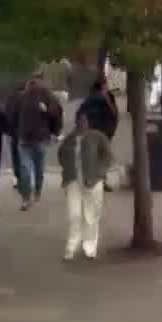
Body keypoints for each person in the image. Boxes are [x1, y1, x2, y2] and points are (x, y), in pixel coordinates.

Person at [57, 110, 114, 260]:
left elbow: (107, 157)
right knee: (74, 214)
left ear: (88, 122)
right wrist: (67, 169)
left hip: (93, 181)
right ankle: (71, 246)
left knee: (91, 215)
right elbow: (61, 154)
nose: (81, 124)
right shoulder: (70, 138)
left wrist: (98, 173)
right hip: (73, 181)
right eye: (79, 121)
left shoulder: (97, 137)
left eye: (84, 120)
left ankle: (90, 246)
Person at [5, 72, 62, 209]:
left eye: (38, 81)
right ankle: (26, 198)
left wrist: (47, 111)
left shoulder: (47, 95)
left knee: (39, 168)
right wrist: (12, 132)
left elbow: (56, 113)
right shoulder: (22, 97)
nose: (35, 84)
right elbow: (13, 116)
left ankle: (37, 189)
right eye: (34, 81)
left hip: (40, 139)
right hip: (24, 139)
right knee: (25, 169)